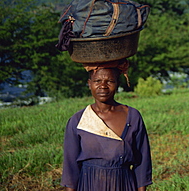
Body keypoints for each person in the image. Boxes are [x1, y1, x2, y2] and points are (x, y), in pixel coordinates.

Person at [61, 60, 152, 191]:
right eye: (97, 81)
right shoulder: (79, 120)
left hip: (124, 184)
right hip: (89, 184)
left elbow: (142, 161)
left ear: (118, 84)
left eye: (110, 81)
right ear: (89, 84)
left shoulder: (132, 116)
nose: (103, 86)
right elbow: (70, 167)